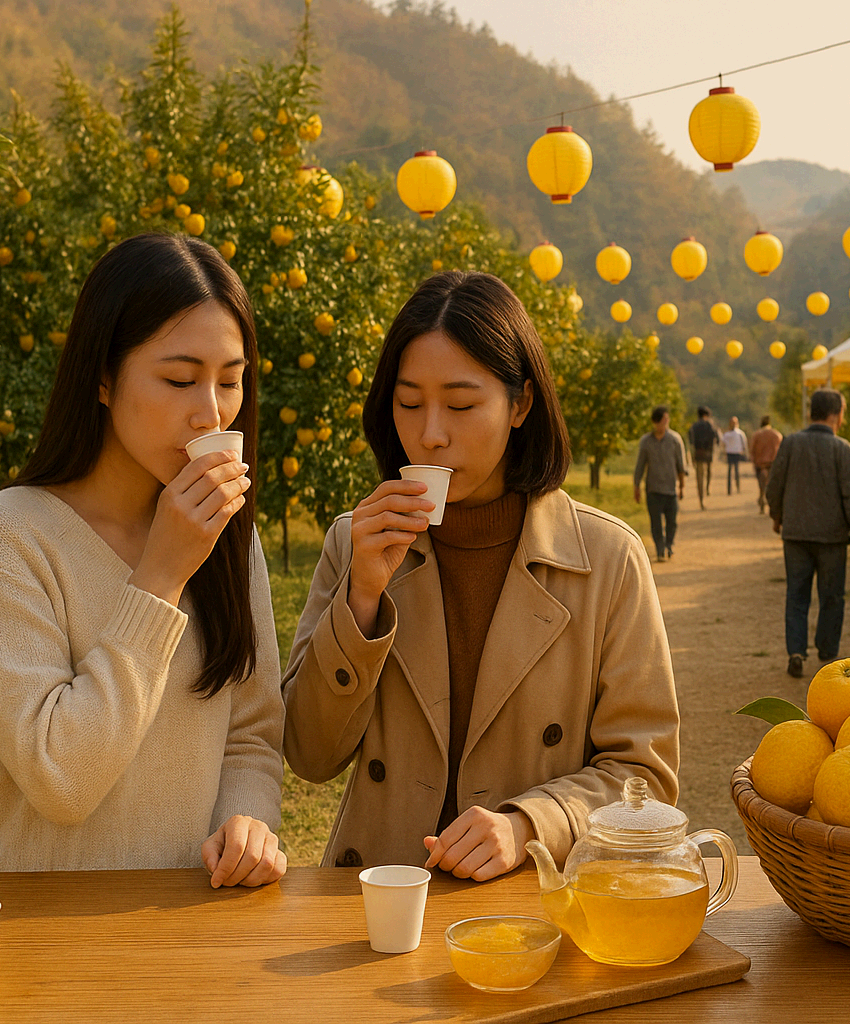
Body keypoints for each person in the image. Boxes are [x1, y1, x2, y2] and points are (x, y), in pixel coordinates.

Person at [281, 271, 680, 879]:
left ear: (520, 404)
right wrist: (361, 595)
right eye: (408, 403)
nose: (429, 434)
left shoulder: (607, 560)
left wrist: (530, 824)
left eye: (462, 405)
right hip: (378, 897)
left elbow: (645, 778)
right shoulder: (354, 542)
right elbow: (310, 754)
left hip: (531, 900)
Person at [0, 233, 286, 887]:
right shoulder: (4, 539)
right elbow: (60, 777)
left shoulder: (229, 537)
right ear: (102, 376)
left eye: (231, 382)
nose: (209, 412)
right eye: (179, 379)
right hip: (21, 931)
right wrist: (160, 576)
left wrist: (247, 821)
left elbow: (252, 731)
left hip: (175, 932)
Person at [766, 389, 850, 678]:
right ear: (836, 414)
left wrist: (777, 517)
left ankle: (796, 651)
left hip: (796, 534)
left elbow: (775, 485)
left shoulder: (790, 443)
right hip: (832, 537)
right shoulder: (842, 449)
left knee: (796, 595)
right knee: (832, 596)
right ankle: (827, 652)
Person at [633, 405, 687, 561]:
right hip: (653, 489)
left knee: (672, 522)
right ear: (655, 422)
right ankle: (660, 548)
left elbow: (681, 465)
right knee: (656, 523)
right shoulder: (646, 441)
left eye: (666, 420)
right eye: (663, 420)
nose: (665, 423)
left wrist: (682, 486)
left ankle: (669, 545)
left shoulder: (675, 440)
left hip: (671, 488)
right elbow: (640, 466)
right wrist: (636, 487)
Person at [687, 406, 720, 509]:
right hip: (708, 452)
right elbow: (717, 438)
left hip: (698, 453)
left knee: (699, 477)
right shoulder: (710, 425)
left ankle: (701, 500)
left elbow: (691, 441)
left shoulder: (694, 426)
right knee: (709, 472)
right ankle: (708, 488)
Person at [750, 414, 783, 514]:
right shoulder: (777, 435)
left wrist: (754, 461)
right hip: (772, 464)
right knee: (772, 486)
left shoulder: (756, 435)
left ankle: (761, 500)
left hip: (760, 464)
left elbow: (752, 450)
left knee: (761, 486)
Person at [720, 416, 748, 495]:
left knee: (736, 471)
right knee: (731, 471)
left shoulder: (739, 433)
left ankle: (737, 487)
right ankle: (730, 489)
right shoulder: (728, 434)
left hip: (736, 453)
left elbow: (744, 443)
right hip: (730, 453)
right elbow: (723, 443)